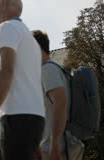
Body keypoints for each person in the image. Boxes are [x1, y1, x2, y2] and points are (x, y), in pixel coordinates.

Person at [0, 0, 45, 160]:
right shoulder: (31, 41)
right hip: (35, 118)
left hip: (17, 117)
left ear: (4, 4)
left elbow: (6, 70)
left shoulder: (7, 27)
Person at [32, 30, 84, 160]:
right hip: (62, 145)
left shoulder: (47, 70)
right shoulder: (57, 68)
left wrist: (54, 146)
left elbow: (60, 105)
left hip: (57, 149)